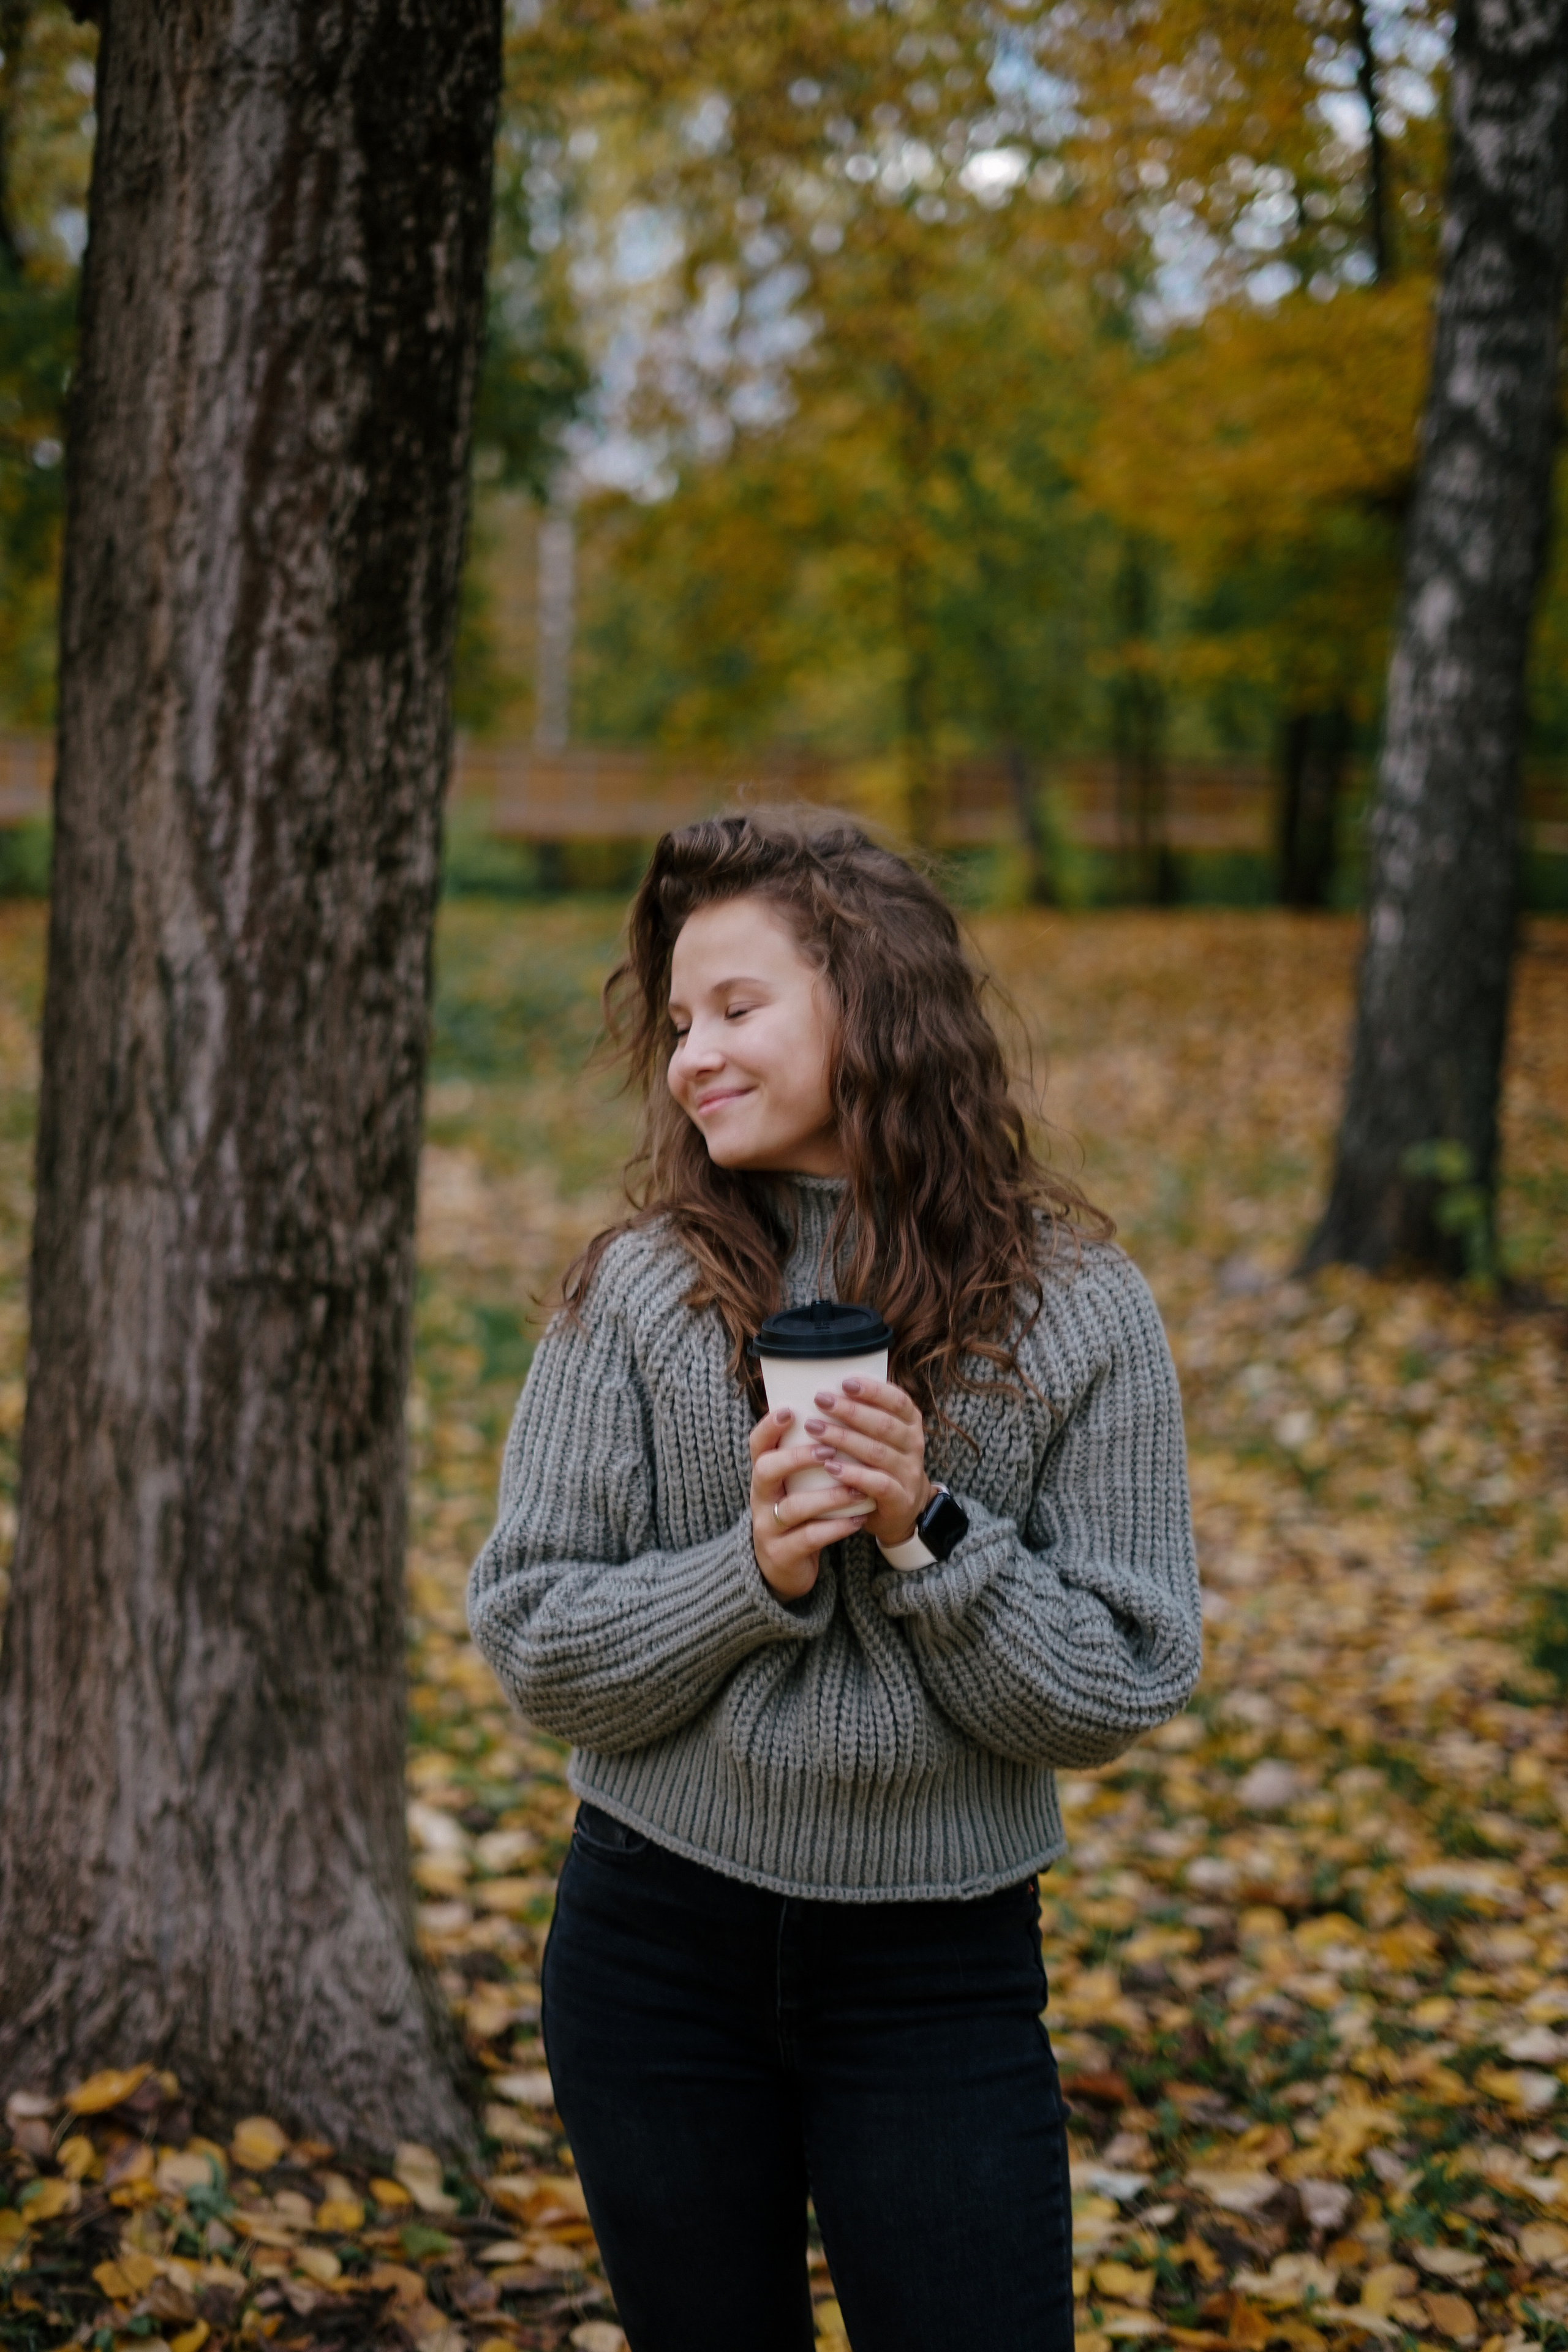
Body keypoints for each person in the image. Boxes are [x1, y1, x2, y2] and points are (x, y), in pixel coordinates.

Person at [468, 812, 1201, 2352]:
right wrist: (752, 1569)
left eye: (736, 1008)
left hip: (935, 1966)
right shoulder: (639, 1293)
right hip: (651, 1948)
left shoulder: (1073, 1307)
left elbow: (1125, 1675)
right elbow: (534, 1638)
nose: (689, 1057)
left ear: (871, 1007)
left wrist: (922, 1531)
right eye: (676, 1023)